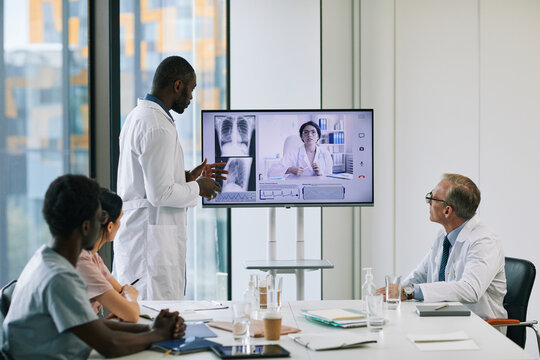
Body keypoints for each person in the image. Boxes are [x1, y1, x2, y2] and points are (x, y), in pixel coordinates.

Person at [1, 174, 185, 359]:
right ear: (87, 227)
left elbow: (91, 325)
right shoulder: (60, 278)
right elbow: (110, 345)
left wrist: (151, 328)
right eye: (99, 218)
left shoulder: (44, 260)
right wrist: (159, 334)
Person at [114, 56, 227, 300]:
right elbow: (160, 194)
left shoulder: (137, 116)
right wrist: (198, 188)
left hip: (141, 241)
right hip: (150, 251)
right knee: (155, 325)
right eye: (191, 89)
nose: (191, 98)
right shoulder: (158, 125)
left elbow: (146, 181)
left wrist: (185, 177)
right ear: (178, 86)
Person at [377, 173, 507, 320]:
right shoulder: (444, 235)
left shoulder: (484, 241)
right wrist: (392, 293)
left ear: (447, 211)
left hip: (480, 328)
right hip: (445, 319)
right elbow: (420, 275)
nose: (428, 202)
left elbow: (470, 289)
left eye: (431, 197)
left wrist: (409, 292)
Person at [76, 188, 140, 322]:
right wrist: (131, 297)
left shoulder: (92, 257)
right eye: (120, 219)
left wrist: (124, 300)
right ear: (110, 226)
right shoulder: (81, 261)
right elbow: (132, 314)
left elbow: (119, 291)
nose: (120, 225)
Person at [268, 121, 333, 178]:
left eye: (313, 132)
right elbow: (271, 172)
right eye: (306, 132)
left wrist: (320, 174)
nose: (309, 135)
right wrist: (289, 170)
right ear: (301, 136)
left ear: (318, 136)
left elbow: (330, 176)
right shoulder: (292, 154)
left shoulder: (325, 154)